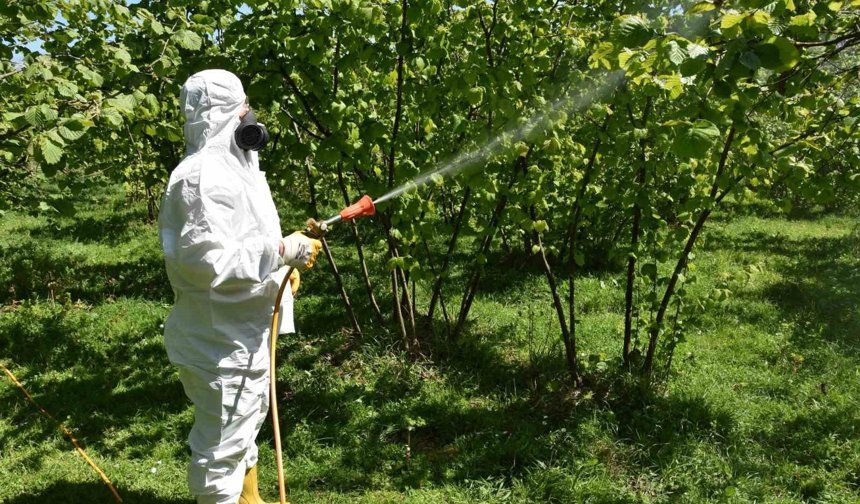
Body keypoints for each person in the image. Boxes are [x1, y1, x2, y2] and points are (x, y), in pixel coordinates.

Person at [158, 69, 321, 504]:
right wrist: (282, 251)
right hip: (219, 343)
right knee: (221, 448)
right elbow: (209, 262)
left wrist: (278, 276)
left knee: (244, 426)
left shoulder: (235, 167)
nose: (251, 116)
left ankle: (249, 499)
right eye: (243, 106)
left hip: (240, 334)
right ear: (225, 113)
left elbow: (242, 241)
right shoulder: (201, 177)